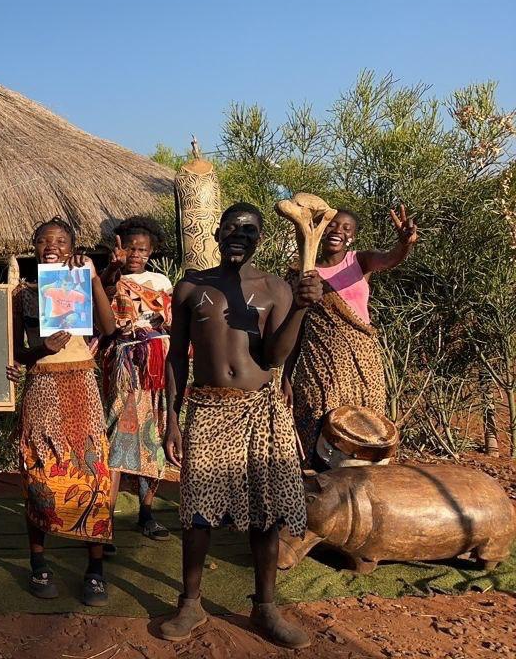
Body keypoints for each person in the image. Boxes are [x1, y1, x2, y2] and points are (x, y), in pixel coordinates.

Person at [158, 203, 321, 649]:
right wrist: (172, 416)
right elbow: (176, 355)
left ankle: (265, 606)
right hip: (207, 407)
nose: (238, 235)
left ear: (260, 239)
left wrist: (301, 309)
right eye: (231, 227)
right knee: (196, 510)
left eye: (249, 230)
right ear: (216, 232)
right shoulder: (191, 286)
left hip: (260, 408)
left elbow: (274, 356)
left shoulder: (274, 288)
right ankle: (190, 602)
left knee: (265, 510)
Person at [10, 218, 118, 605]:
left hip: (83, 387)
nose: (51, 246)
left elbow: (109, 327)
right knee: (40, 471)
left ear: (73, 248)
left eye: (60, 241)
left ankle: (94, 569)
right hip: (42, 386)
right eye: (44, 241)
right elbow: (17, 353)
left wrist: (91, 278)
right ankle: (38, 563)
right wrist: (42, 348)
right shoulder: (23, 295)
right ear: (34, 246)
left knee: (93, 474)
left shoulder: (81, 283)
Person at [287, 206, 418, 466]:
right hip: (319, 363)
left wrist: (404, 243)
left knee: (364, 425)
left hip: (363, 362)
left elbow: (391, 258)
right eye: (332, 225)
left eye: (346, 228)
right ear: (320, 231)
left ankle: (362, 494)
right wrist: (286, 376)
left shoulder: (359, 261)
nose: (338, 231)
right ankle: (317, 495)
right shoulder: (299, 270)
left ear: (353, 238)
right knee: (317, 421)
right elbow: (295, 326)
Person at [99, 217, 173, 541]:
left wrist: (157, 323)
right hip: (125, 368)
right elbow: (102, 316)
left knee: (154, 436)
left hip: (156, 368)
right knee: (119, 435)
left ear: (151, 251)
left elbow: (170, 319)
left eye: (142, 249)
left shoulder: (160, 281)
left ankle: (146, 512)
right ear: (120, 248)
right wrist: (112, 273)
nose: (135, 254)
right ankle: (107, 519)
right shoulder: (110, 278)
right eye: (130, 248)